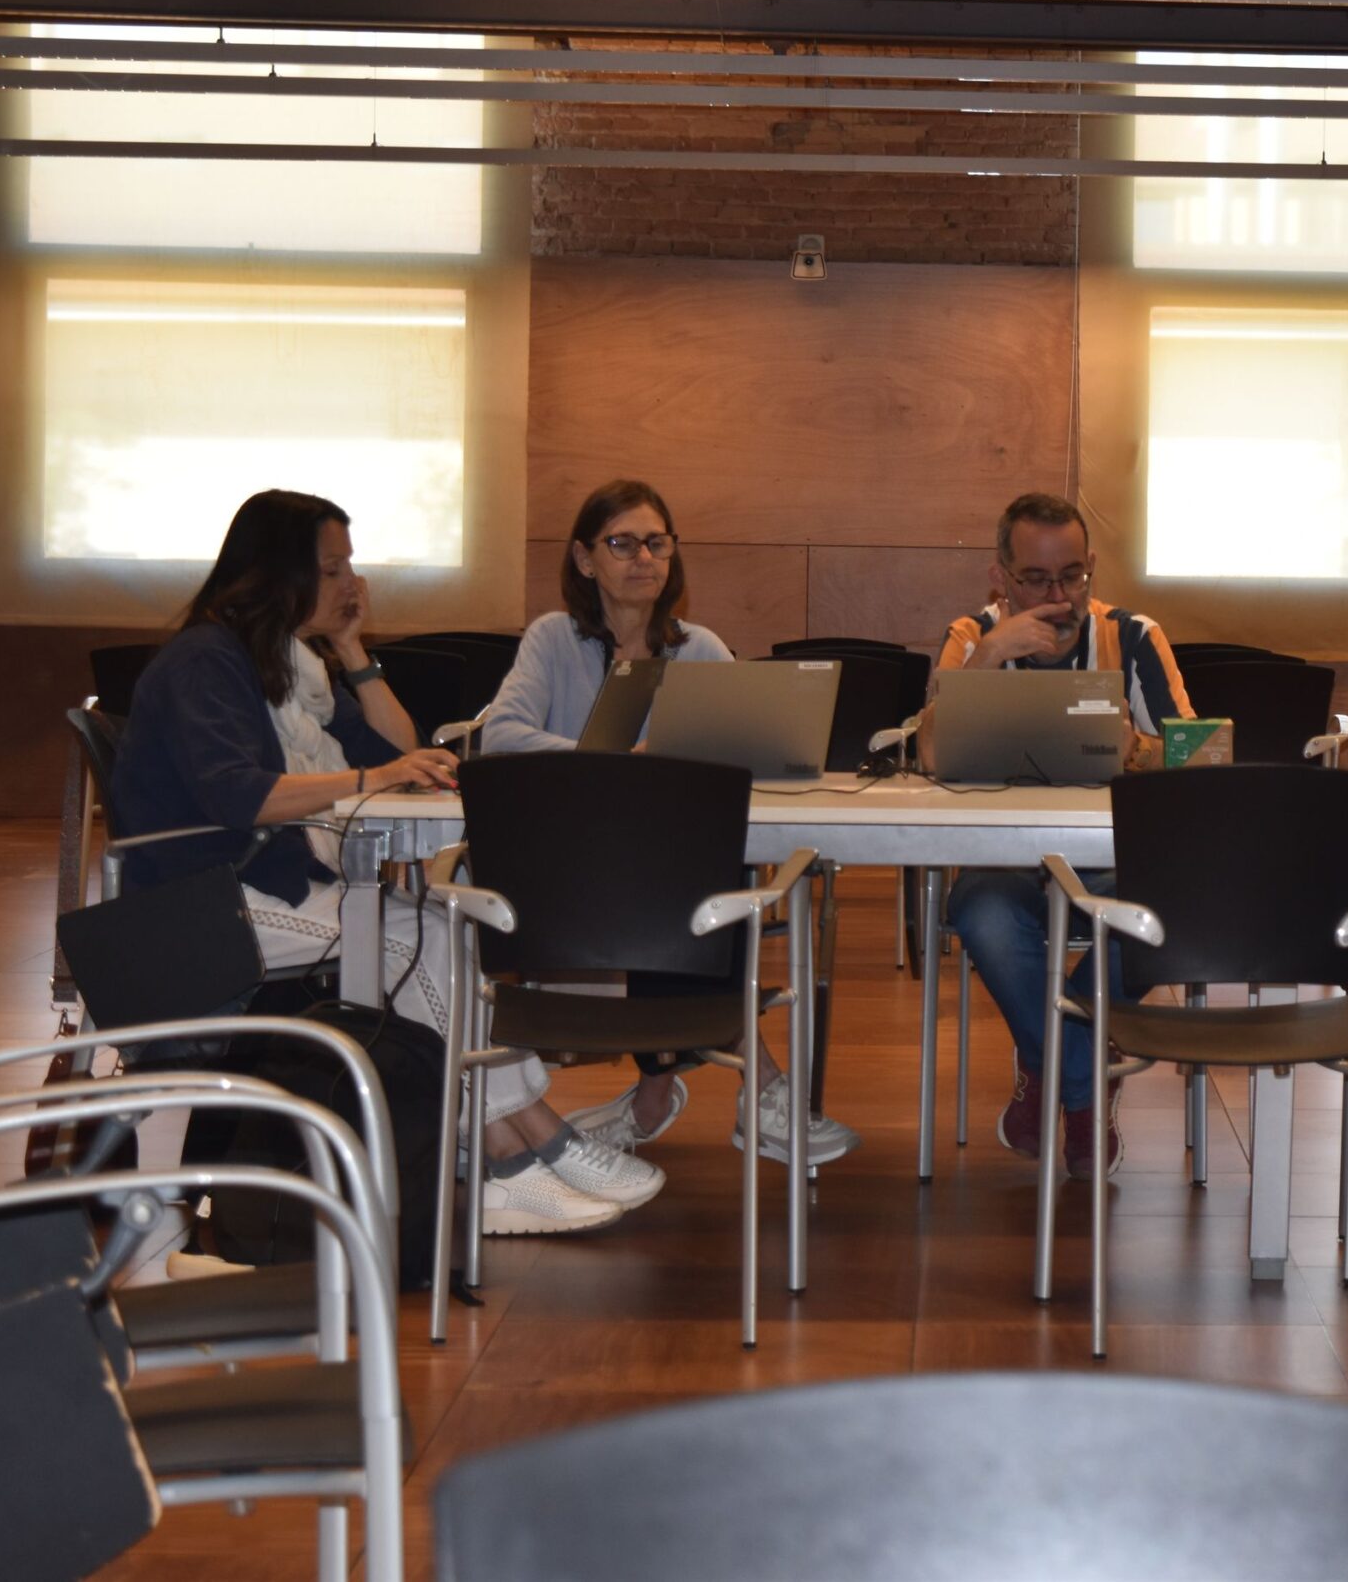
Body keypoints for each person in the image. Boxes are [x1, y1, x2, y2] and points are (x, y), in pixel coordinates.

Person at [112, 490, 656, 1236]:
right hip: (200, 906)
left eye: (349, 565)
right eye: (332, 568)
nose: (352, 583)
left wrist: (352, 651)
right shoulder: (205, 661)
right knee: (411, 941)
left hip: (270, 886)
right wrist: (374, 778)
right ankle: (515, 1154)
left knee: (443, 929)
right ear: (277, 572)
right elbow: (241, 795)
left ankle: (524, 1144)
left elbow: (397, 750)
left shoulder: (291, 668)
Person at [479, 479, 857, 1169]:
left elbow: (749, 744)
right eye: (622, 543)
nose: (644, 557)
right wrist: (617, 761)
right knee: (690, 892)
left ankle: (669, 1095)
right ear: (585, 558)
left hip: (664, 865)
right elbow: (501, 735)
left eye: (656, 542)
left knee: (705, 880)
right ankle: (755, 1090)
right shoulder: (553, 638)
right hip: (567, 870)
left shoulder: (700, 647)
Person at [930, 491, 1192, 1179]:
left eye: (1073, 576)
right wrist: (989, 657)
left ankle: (1046, 1062)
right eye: (1037, 580)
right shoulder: (970, 636)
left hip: (1115, 861)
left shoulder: (1133, 636)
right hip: (1004, 862)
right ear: (1001, 577)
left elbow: (1198, 756)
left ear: (1091, 566)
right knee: (982, 913)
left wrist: (1132, 747)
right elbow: (928, 752)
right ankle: (1084, 1077)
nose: (1058, 597)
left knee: (1164, 912)